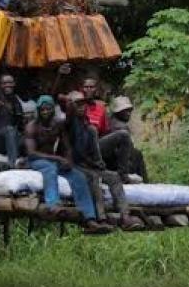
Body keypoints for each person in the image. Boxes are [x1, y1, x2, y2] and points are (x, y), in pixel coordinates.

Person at [24, 95, 110, 233]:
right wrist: (58, 159)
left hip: (54, 159)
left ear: (53, 110)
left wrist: (68, 160)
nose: (45, 112)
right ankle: (53, 203)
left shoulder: (57, 125)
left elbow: (67, 146)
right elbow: (32, 153)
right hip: (37, 160)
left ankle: (89, 219)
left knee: (79, 176)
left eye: (48, 109)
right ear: (38, 111)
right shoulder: (32, 126)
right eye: (43, 110)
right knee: (50, 168)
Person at [66, 91, 145, 231]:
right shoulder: (69, 123)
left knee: (113, 176)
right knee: (93, 178)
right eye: (77, 104)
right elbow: (76, 152)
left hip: (91, 164)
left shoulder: (88, 126)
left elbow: (94, 149)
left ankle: (125, 217)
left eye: (83, 104)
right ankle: (100, 218)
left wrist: (99, 162)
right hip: (76, 165)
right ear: (70, 106)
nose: (81, 107)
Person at [81, 78, 144, 182]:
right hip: (82, 147)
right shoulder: (78, 106)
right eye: (86, 87)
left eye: (91, 87)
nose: (88, 90)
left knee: (124, 137)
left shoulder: (101, 109)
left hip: (97, 146)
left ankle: (123, 174)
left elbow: (105, 132)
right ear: (81, 89)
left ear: (96, 89)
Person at [109, 95, 149, 182]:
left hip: (116, 161)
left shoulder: (112, 122)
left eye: (129, 110)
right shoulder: (120, 127)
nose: (128, 113)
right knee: (137, 154)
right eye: (125, 111)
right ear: (118, 112)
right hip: (116, 163)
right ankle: (145, 183)